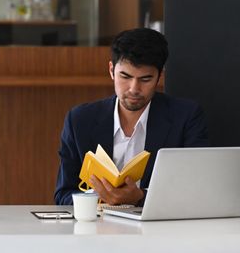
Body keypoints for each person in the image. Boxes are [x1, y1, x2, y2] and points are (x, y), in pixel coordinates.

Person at [54, 28, 209, 205]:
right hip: (97, 226)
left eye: (145, 79)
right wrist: (99, 200)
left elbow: (196, 189)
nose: (134, 89)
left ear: (159, 76)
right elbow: (63, 195)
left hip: (159, 229)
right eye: (125, 76)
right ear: (112, 70)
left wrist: (140, 197)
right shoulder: (79, 120)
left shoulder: (186, 117)